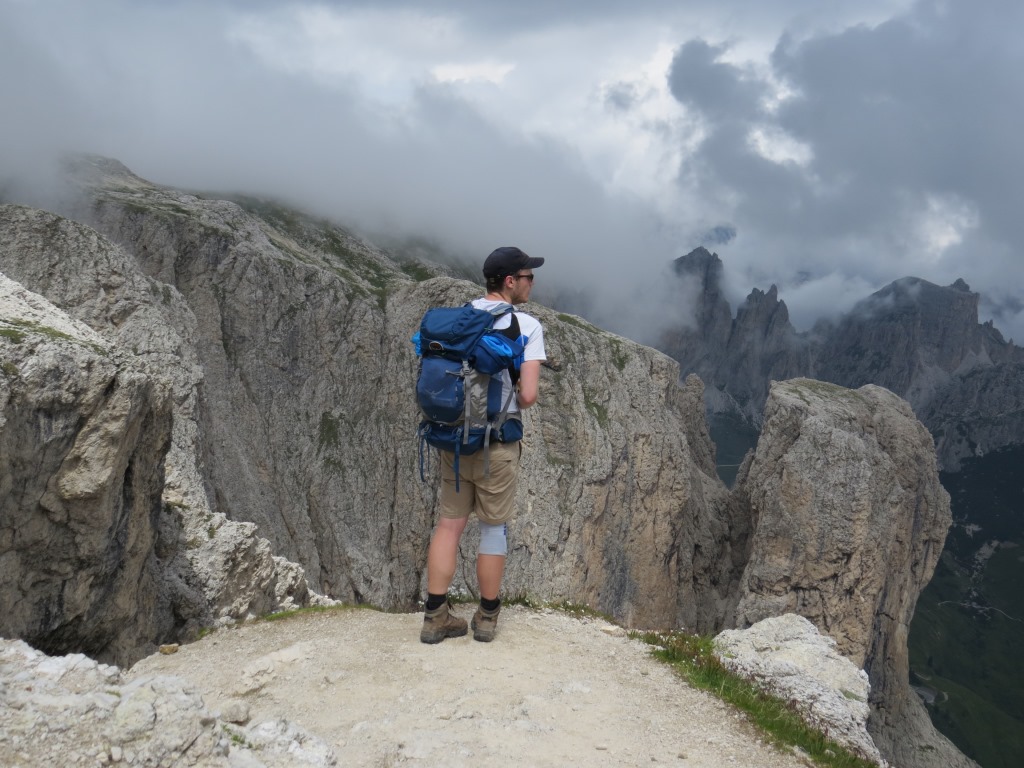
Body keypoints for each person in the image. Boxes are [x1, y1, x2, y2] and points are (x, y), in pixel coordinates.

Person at [420, 246, 547, 644]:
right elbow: (528, 396)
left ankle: (435, 615)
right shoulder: (526, 325)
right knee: (493, 528)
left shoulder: (462, 317)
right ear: (510, 281)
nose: (532, 283)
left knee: (449, 524)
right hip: (497, 446)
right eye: (528, 276)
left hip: (454, 441)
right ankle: (487, 617)